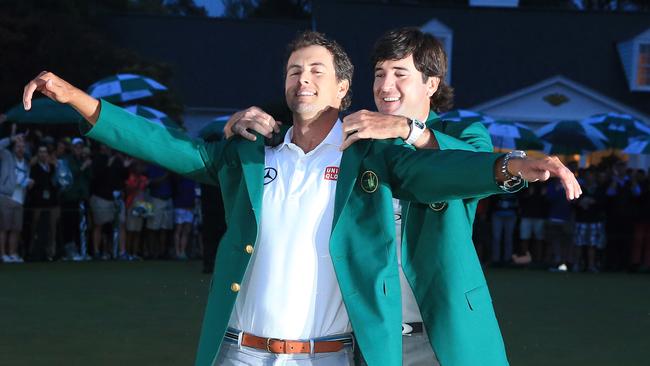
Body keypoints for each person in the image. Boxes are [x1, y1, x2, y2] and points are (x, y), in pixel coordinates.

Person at [23, 31, 580, 366]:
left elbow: (447, 172)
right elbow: (170, 147)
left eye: (318, 69)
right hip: (240, 351)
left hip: (334, 354)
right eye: (294, 69)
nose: (303, 77)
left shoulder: (377, 157)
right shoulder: (248, 153)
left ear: (343, 89)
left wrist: (511, 166)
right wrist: (77, 99)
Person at [225, 27, 513, 366]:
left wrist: (410, 130)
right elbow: (305, 129)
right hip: (374, 339)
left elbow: (477, 167)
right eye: (379, 74)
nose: (385, 85)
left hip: (445, 332)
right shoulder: (359, 143)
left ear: (431, 83)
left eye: (399, 74)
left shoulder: (461, 134)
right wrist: (236, 126)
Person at [0, 134, 33, 263]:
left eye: (23, 147)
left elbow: (24, 179)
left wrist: (29, 183)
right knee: (3, 228)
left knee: (16, 229)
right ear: (14, 148)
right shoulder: (7, 157)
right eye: (18, 146)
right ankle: (3, 254)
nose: (20, 149)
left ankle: (13, 253)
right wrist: (11, 138)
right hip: (6, 197)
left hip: (20, 200)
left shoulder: (26, 163)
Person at [27, 144, 59, 261]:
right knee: (35, 228)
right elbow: (31, 186)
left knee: (52, 230)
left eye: (45, 152)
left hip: (52, 204)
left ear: (47, 154)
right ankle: (32, 253)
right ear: (37, 154)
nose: (43, 154)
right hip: (38, 204)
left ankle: (50, 253)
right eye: (40, 152)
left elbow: (58, 184)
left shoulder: (53, 167)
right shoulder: (34, 168)